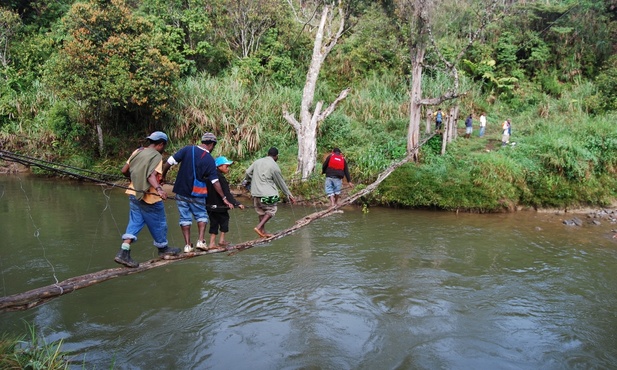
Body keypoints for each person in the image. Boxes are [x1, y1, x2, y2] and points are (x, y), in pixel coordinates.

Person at [115, 131, 180, 268]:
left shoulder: (137, 151)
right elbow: (151, 176)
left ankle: (123, 252)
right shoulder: (156, 156)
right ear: (161, 144)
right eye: (164, 146)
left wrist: (133, 180)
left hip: (133, 193)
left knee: (135, 222)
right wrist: (160, 190)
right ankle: (163, 249)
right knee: (159, 222)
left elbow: (124, 170)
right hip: (149, 197)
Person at [162, 132, 234, 253]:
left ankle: (187, 246)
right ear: (211, 144)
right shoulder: (209, 159)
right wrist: (224, 198)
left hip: (181, 191)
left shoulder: (187, 149)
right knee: (201, 215)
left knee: (184, 218)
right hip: (197, 192)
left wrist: (162, 176)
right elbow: (215, 181)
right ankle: (201, 241)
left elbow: (169, 162)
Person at [244, 147, 296, 238]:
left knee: (261, 211)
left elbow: (248, 172)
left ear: (267, 154)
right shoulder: (274, 166)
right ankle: (259, 227)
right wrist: (289, 195)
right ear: (276, 156)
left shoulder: (257, 162)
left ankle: (262, 232)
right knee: (272, 210)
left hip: (255, 193)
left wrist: (252, 179)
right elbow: (280, 182)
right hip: (268, 193)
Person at [206, 156, 245, 249]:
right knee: (224, 220)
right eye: (226, 166)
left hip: (209, 205)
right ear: (219, 166)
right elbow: (226, 193)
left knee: (213, 222)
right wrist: (237, 203)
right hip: (220, 205)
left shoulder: (209, 175)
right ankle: (221, 240)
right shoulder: (220, 178)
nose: (228, 168)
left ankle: (212, 243)